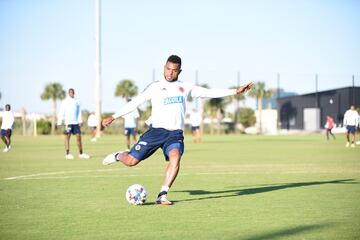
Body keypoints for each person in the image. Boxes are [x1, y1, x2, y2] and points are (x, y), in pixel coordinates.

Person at [101, 55, 253, 205]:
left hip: (174, 134)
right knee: (131, 161)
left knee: (175, 157)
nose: (170, 73)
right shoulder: (155, 86)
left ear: (179, 71)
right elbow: (134, 103)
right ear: (164, 67)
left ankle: (162, 195)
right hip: (155, 132)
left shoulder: (185, 87)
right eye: (168, 69)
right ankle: (118, 155)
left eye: (174, 70)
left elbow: (208, 92)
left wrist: (235, 91)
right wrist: (113, 116)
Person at [57, 88, 90, 159]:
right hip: (68, 123)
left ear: (74, 93)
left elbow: (79, 112)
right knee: (67, 137)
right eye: (70, 92)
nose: (71, 93)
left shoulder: (77, 101)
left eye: (72, 92)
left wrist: (80, 121)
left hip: (76, 123)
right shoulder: (65, 101)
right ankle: (67, 154)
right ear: (68, 93)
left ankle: (81, 153)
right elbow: (61, 112)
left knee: (78, 137)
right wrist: (59, 122)